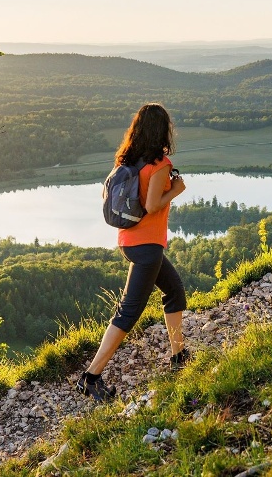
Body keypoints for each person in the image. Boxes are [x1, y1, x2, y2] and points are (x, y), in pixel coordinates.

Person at [76, 103, 189, 402]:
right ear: (163, 130)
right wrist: (176, 190)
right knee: (128, 312)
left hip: (130, 240)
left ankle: (179, 356)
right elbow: (152, 205)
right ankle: (91, 377)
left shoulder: (130, 159)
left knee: (175, 291)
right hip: (147, 246)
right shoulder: (159, 164)